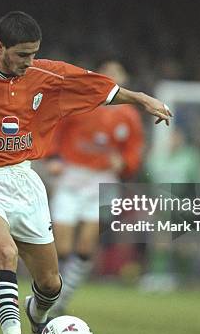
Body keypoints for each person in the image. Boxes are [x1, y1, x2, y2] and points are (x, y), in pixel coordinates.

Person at [0, 11, 172, 334]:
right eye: (22, 55)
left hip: (24, 181)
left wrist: (142, 99)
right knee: (4, 253)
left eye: (33, 53)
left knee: (49, 284)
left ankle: (38, 318)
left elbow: (100, 88)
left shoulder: (46, 73)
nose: (29, 62)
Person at [46, 60, 145, 317]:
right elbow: (55, 130)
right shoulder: (81, 103)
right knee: (62, 246)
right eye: (108, 72)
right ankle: (53, 290)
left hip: (103, 181)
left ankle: (63, 298)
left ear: (125, 79)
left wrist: (124, 163)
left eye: (117, 73)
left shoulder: (130, 116)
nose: (112, 76)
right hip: (72, 176)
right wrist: (54, 158)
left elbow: (133, 154)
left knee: (86, 247)